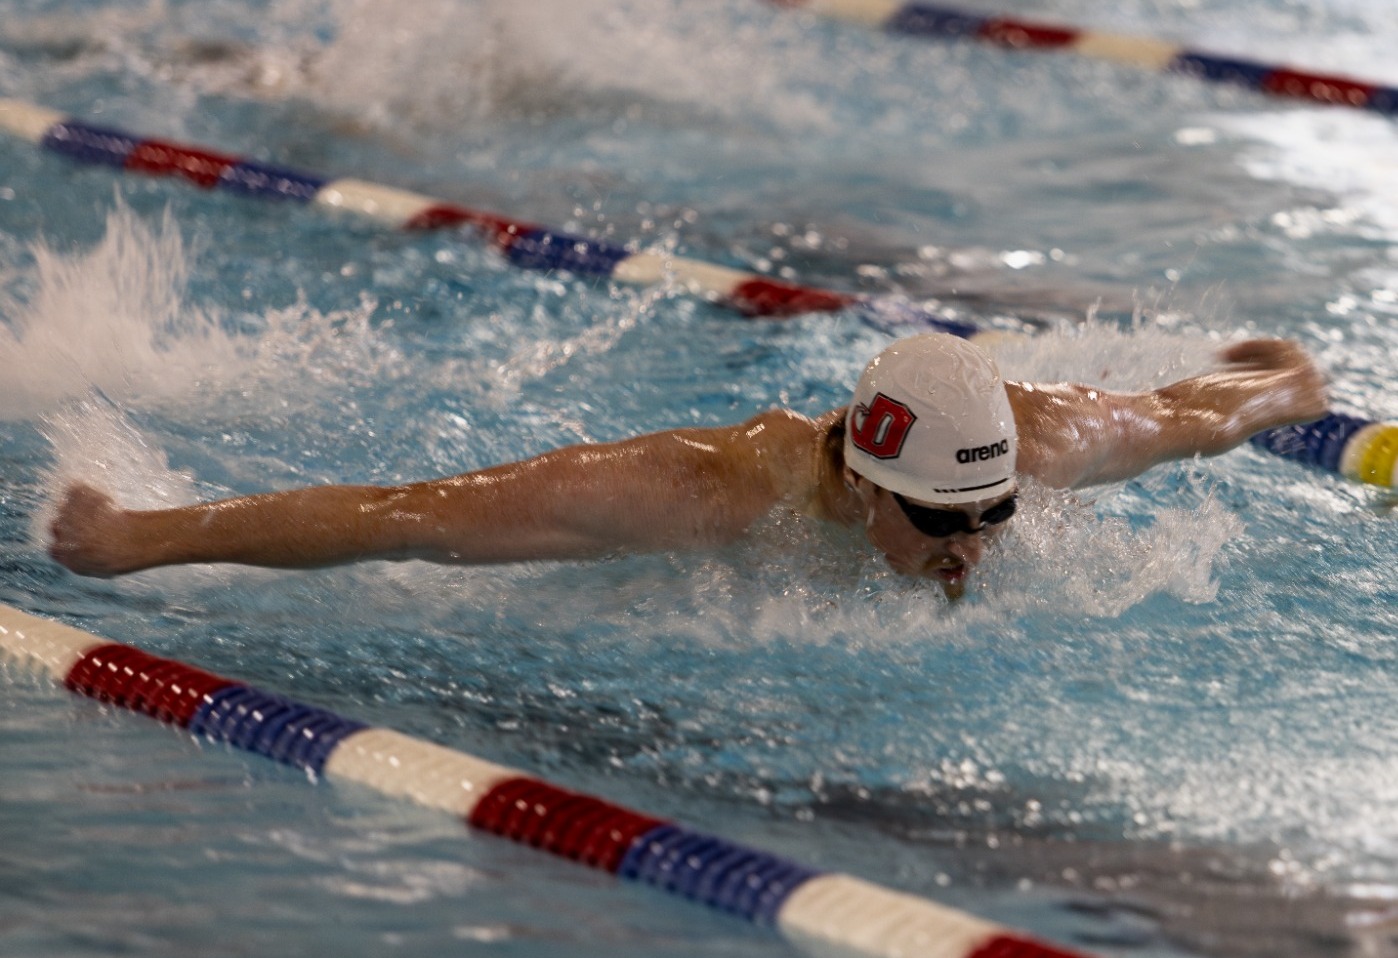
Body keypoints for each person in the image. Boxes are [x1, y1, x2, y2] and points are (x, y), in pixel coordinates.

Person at [48, 333, 1327, 599]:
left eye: (992, 512)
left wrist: (1280, 383)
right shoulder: (707, 491)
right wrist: (143, 537)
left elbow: (1192, 412)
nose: (977, 549)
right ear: (863, 483)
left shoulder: (1037, 440)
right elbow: (405, 515)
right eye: (946, 521)